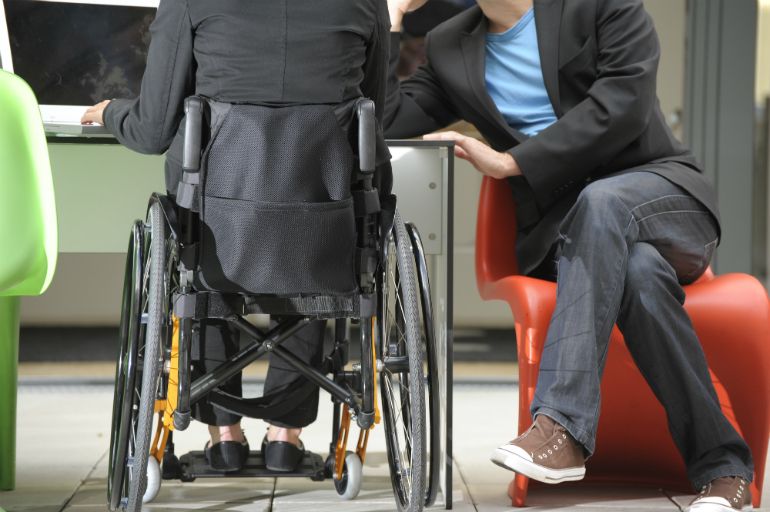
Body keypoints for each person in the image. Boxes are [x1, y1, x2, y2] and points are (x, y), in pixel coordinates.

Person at [384, 0, 754, 510]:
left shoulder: (600, 5)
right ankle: (726, 468)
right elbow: (388, 117)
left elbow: (623, 104)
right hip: (569, 235)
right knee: (641, 277)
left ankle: (562, 426)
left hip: (666, 198)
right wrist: (392, 20)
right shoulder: (451, 44)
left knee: (603, 203)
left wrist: (513, 161)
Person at [82, 0, 391, 473]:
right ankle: (285, 436)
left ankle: (223, 434)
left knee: (196, 235)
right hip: (324, 228)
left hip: (219, 229)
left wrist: (109, 112)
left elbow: (150, 130)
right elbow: (373, 115)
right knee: (322, 200)